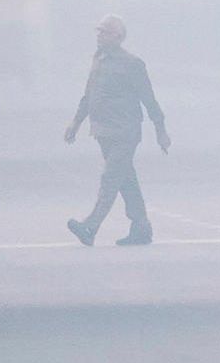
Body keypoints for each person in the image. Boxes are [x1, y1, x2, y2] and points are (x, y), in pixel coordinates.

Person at [65, 14, 170, 247]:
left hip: (125, 132)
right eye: (98, 31)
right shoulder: (99, 60)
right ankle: (141, 227)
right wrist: (76, 122)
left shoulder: (132, 64)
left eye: (105, 32)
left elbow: (149, 99)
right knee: (126, 180)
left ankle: (90, 226)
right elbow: (88, 95)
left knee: (111, 178)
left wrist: (160, 129)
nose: (99, 36)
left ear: (119, 37)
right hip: (103, 132)